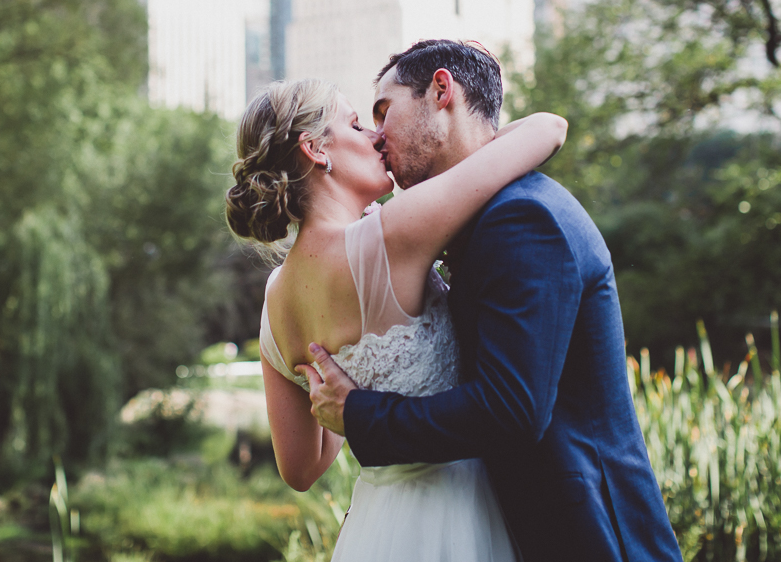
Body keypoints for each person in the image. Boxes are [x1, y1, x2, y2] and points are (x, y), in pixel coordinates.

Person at [300, 40, 683, 562]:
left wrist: (360, 414)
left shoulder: (523, 218)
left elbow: (512, 408)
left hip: (589, 536)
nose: (378, 137)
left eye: (385, 112)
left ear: (441, 90)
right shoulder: (486, 217)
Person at [225, 73, 568, 561]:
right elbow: (548, 128)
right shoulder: (392, 235)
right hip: (460, 513)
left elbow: (301, 471)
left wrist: (348, 404)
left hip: (376, 528)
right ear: (316, 150)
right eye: (356, 124)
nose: (376, 137)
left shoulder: (274, 303)